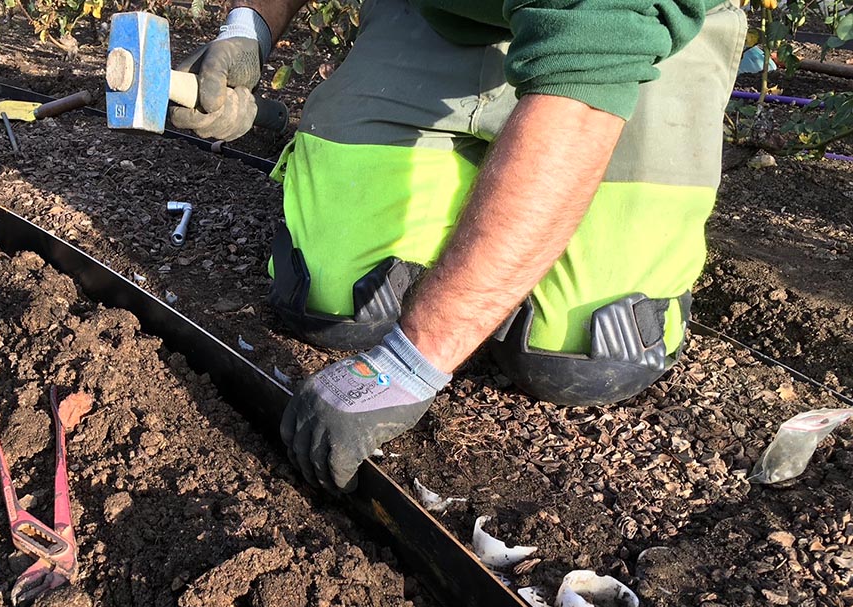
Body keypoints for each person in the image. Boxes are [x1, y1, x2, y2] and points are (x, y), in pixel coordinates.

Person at [171, 0, 745, 493]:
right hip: (438, 18)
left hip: (635, 44)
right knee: (337, 298)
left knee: (584, 352)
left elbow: (581, 102)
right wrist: (249, 28)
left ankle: (505, 215)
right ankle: (487, 203)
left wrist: (409, 364)